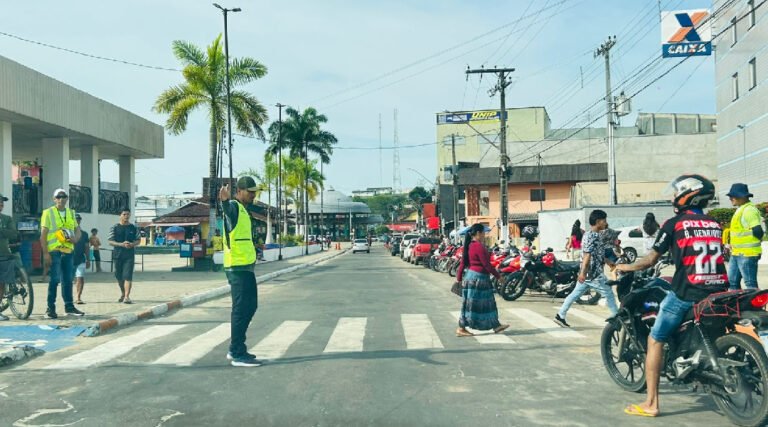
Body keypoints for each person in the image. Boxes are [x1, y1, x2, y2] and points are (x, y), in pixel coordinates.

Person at [616, 174, 728, 418]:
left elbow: (650, 260)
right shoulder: (714, 223)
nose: (673, 197)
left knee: (655, 339)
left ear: (688, 195)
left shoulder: (674, 224)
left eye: (676, 192)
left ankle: (651, 403)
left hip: (688, 292)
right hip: (719, 289)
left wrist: (625, 266)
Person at [220, 177, 262, 367]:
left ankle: (236, 348)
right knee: (240, 309)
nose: (253, 195)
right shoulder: (234, 207)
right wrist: (224, 200)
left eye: (254, 191)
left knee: (251, 306)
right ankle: (237, 352)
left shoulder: (245, 210)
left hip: (246, 267)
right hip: (236, 267)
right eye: (250, 191)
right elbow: (227, 209)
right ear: (239, 191)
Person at [555, 210, 618, 327]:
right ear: (598, 222)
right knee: (609, 293)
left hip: (589, 274)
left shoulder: (593, 235)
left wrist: (608, 262)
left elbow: (597, 253)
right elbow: (587, 255)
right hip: (593, 274)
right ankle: (617, 317)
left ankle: (560, 315)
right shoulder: (591, 236)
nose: (605, 223)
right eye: (604, 220)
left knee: (574, 294)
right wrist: (583, 273)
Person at [454, 223, 509, 337]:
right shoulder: (478, 246)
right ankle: (461, 328)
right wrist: (499, 277)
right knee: (482, 304)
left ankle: (496, 325)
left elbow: (463, 263)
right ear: (478, 233)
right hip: (478, 279)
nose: (484, 235)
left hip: (472, 277)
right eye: (483, 233)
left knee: (475, 304)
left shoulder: (469, 245)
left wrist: (458, 278)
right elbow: (486, 265)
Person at [40, 188, 85, 318]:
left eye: (63, 196)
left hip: (68, 251)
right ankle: (50, 308)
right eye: (58, 197)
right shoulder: (48, 213)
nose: (61, 199)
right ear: (54, 199)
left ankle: (69, 307)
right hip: (54, 251)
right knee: (54, 279)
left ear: (67, 198)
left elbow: (77, 230)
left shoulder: (71, 213)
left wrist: (75, 239)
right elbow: (43, 235)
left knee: (67, 280)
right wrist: (46, 253)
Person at [724, 183, 763, 290]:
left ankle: (756, 302)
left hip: (747, 254)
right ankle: (735, 301)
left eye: (733, 196)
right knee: (732, 283)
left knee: (750, 284)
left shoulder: (749, 210)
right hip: (737, 253)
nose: (731, 198)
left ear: (743, 196)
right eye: (730, 196)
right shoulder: (741, 209)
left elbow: (758, 231)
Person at [108, 209, 139, 304]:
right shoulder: (114, 227)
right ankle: (123, 293)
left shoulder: (133, 227)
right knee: (119, 276)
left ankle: (126, 297)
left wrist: (132, 244)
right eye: (124, 214)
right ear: (120, 215)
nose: (126, 216)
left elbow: (138, 240)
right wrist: (121, 244)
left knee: (128, 276)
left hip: (129, 255)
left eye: (128, 214)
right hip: (117, 254)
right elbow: (110, 241)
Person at [0, 193, 18, 321]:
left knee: (1, 283)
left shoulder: (7, 219)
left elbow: (13, 234)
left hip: (4, 254)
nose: (1, 204)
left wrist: (1, 231)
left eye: (2, 202)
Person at [72, 214, 90, 305]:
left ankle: (78, 297)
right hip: (68, 259)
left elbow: (87, 247)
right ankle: (68, 298)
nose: (77, 221)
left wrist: (88, 259)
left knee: (80, 278)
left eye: (78, 219)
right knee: (68, 280)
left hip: (80, 259)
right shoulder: (67, 233)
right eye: (75, 219)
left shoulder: (85, 234)